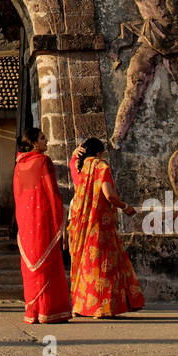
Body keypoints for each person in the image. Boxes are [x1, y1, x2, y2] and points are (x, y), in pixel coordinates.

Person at [68, 137, 145, 319]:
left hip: (79, 221)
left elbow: (73, 161)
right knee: (102, 264)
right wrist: (125, 207)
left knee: (82, 262)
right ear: (99, 152)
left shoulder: (78, 166)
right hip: (98, 223)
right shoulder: (101, 167)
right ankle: (102, 307)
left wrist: (74, 154)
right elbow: (109, 194)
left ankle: (79, 306)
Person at [13, 127, 71, 324]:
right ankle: (49, 311)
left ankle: (33, 312)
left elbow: (19, 195)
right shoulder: (44, 161)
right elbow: (51, 190)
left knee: (31, 265)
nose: (46, 141)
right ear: (33, 142)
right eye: (43, 138)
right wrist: (60, 218)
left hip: (26, 220)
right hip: (43, 218)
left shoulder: (19, 165)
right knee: (50, 262)